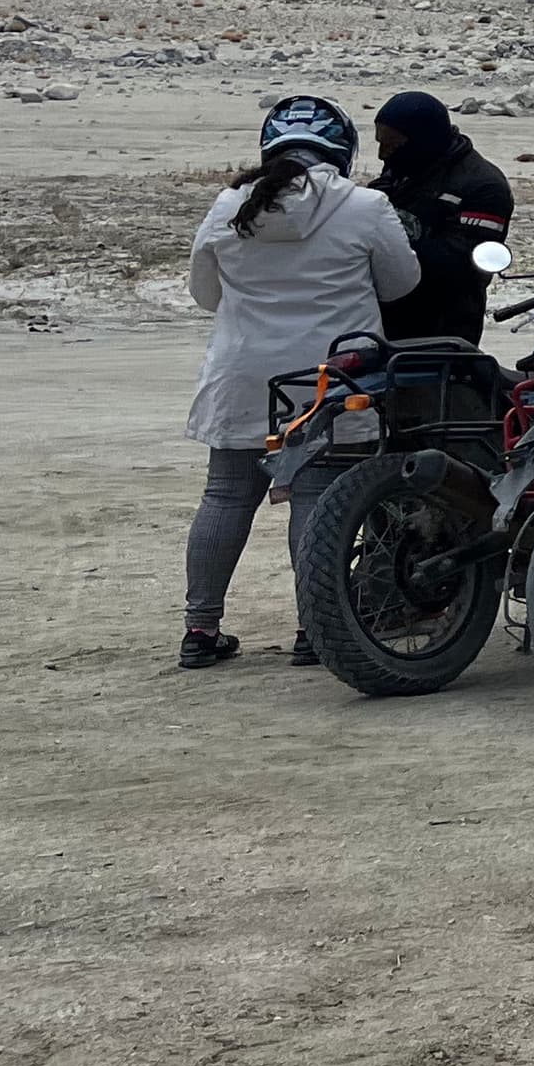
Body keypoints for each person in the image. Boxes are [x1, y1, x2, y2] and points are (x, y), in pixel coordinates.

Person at [180, 96, 418, 669]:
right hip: (330, 379)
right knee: (317, 499)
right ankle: (316, 626)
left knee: (226, 497)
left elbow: (204, 294)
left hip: (241, 376)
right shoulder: (365, 205)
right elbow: (402, 283)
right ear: (343, 149)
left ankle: (200, 628)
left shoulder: (229, 205)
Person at [367, 90, 512, 345]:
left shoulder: (484, 186)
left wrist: (386, 239)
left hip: (443, 328)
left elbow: (463, 264)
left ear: (421, 141)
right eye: (380, 143)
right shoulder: (404, 166)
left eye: (391, 145)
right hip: (384, 319)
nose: (382, 155)